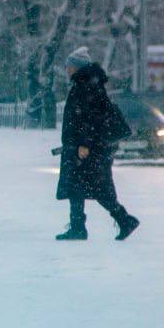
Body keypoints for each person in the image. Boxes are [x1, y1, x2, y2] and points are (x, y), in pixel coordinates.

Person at [56, 47, 140, 241]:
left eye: (69, 65)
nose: (67, 69)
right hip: (84, 146)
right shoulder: (87, 83)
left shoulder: (86, 85)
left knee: (92, 187)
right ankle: (81, 226)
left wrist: (83, 143)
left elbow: (89, 117)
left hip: (86, 148)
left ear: (77, 67)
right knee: (81, 187)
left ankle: (121, 219)